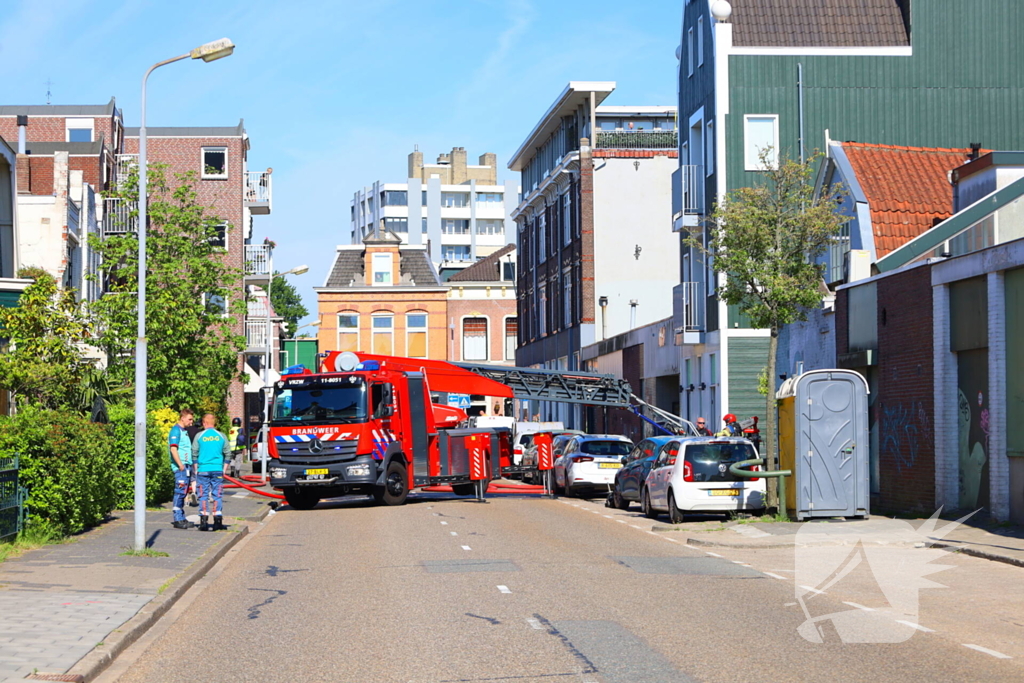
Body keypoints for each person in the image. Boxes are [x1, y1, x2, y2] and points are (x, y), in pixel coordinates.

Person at [191, 413, 232, 532]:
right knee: (217, 494)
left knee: (203, 495)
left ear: (204, 423)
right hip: (217, 470)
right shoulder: (221, 436)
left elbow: (194, 453)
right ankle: (217, 521)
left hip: (203, 470)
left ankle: (203, 521)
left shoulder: (199, 436)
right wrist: (224, 469)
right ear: (214, 423)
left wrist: (196, 469)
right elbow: (228, 453)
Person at [168, 409, 195, 529]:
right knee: (180, 492)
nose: (191, 422)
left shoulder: (184, 431)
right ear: (182, 418)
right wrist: (180, 465)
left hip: (186, 466)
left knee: (184, 492)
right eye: (189, 419)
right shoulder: (176, 430)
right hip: (181, 467)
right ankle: (177, 519)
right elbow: (173, 449)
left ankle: (182, 517)